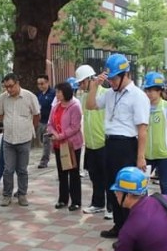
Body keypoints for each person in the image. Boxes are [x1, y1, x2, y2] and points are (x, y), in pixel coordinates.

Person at [86, 54, 150, 239]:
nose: (111, 82)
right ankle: (118, 225)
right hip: (110, 144)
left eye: (114, 78)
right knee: (113, 187)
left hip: (126, 146)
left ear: (125, 74)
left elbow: (142, 130)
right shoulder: (109, 94)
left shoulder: (138, 96)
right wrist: (94, 86)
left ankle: (130, 232)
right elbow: (90, 105)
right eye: (110, 78)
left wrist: (140, 157)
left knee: (128, 190)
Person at [0, 73, 40, 207]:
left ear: (17, 83)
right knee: (8, 169)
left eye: (11, 86)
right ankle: (7, 195)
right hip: (8, 139)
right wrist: (1, 122)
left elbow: (36, 115)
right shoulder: (3, 98)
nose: (9, 89)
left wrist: (30, 127)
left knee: (22, 169)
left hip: (24, 139)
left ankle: (22, 194)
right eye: (6, 87)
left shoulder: (29, 96)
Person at [76, 65, 112, 219]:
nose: (80, 86)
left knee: (108, 176)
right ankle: (98, 203)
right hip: (90, 143)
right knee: (95, 176)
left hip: (104, 143)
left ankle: (111, 206)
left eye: (82, 82)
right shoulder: (84, 97)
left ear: (91, 79)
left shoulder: (106, 94)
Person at [143, 72, 167, 195]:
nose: (149, 93)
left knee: (164, 183)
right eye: (147, 90)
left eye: (152, 90)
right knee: (142, 182)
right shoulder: (143, 107)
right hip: (147, 154)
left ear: (159, 91)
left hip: (165, 154)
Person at [48, 82, 83, 211]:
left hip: (72, 145)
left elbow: (75, 127)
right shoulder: (56, 106)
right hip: (59, 145)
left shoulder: (75, 106)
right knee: (61, 173)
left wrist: (61, 135)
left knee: (73, 173)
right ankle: (63, 199)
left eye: (58, 92)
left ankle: (76, 201)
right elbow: (50, 123)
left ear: (65, 92)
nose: (56, 94)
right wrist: (54, 133)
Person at [36, 74, 56, 169]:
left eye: (42, 83)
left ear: (47, 82)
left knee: (46, 142)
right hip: (41, 121)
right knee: (44, 141)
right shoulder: (38, 94)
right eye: (38, 84)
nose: (40, 86)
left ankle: (44, 161)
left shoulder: (53, 93)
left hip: (50, 123)